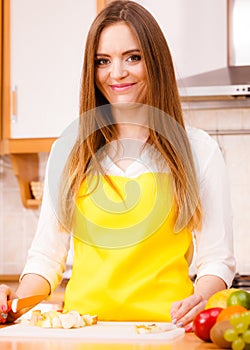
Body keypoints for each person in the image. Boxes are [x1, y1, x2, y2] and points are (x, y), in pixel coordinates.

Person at [0, 0, 235, 330]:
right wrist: (13, 304)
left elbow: (217, 260)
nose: (117, 73)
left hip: (167, 333)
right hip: (83, 334)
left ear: (155, 61)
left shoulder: (199, 151)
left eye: (133, 57)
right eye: (103, 61)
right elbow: (46, 258)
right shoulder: (69, 152)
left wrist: (201, 297)